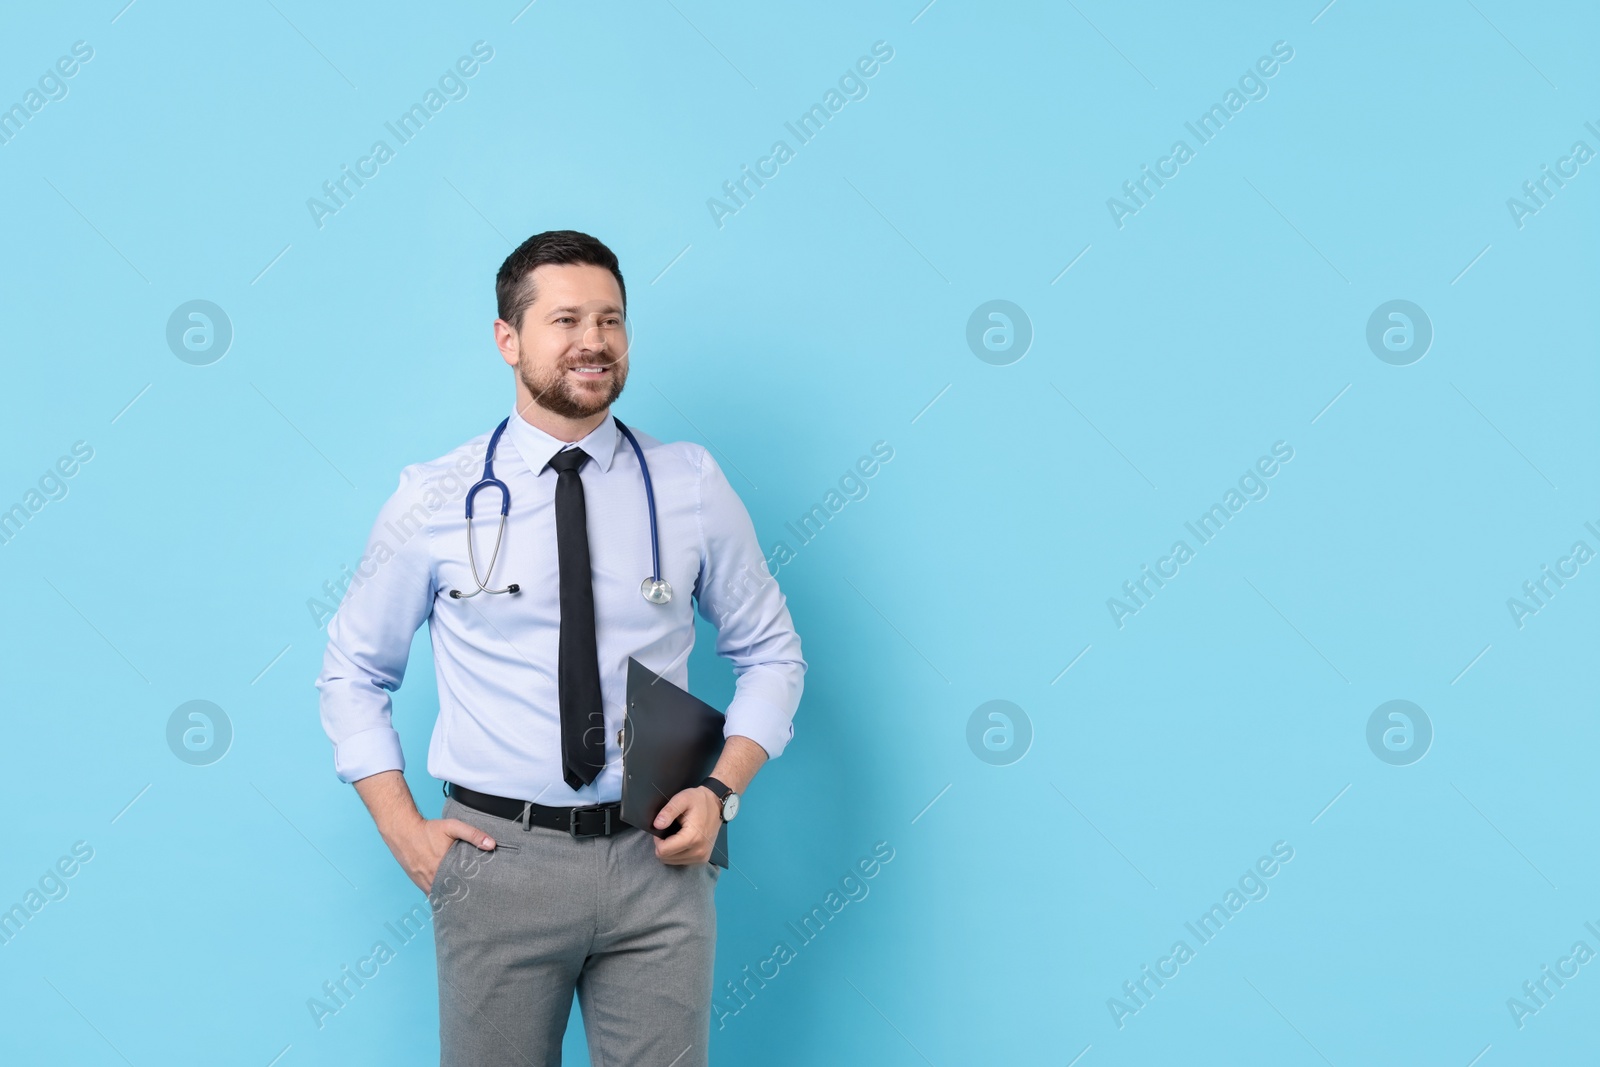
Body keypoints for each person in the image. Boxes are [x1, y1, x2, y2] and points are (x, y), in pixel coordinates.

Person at [315, 229, 806, 1066]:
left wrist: (722, 791)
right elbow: (352, 671)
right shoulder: (435, 495)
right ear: (508, 339)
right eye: (566, 319)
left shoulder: (686, 483)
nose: (593, 342)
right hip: (498, 861)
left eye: (611, 320)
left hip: (659, 859)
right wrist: (405, 831)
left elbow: (773, 653)